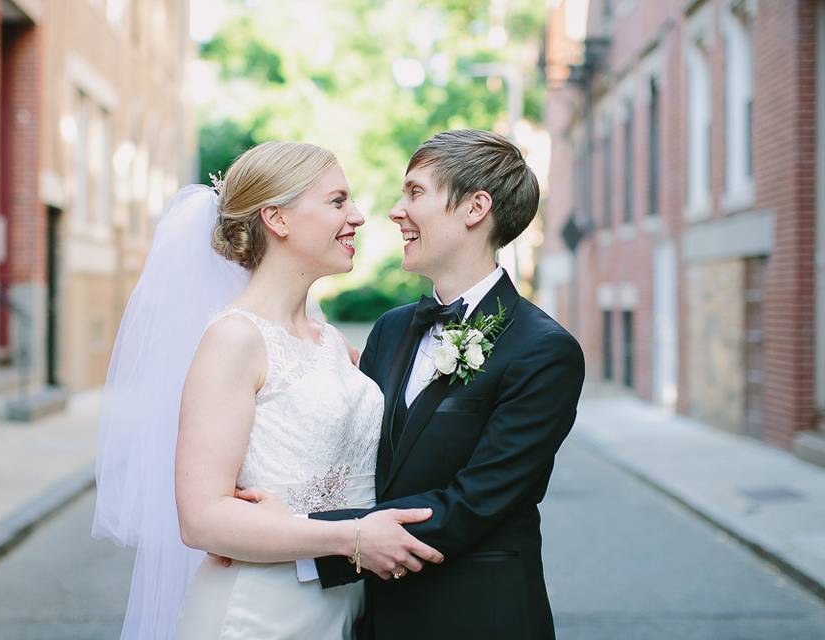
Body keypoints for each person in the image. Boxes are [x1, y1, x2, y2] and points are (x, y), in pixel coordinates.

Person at [93, 141, 443, 640]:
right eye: (338, 201)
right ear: (276, 218)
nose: (360, 217)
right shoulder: (234, 339)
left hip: (342, 607)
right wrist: (354, 536)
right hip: (258, 615)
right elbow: (201, 520)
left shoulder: (331, 343)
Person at [251, 130, 586, 639]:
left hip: (476, 618)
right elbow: (349, 451)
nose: (394, 211)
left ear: (475, 208)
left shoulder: (544, 352)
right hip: (369, 617)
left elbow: (471, 504)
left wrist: (302, 542)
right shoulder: (390, 328)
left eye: (415, 193)